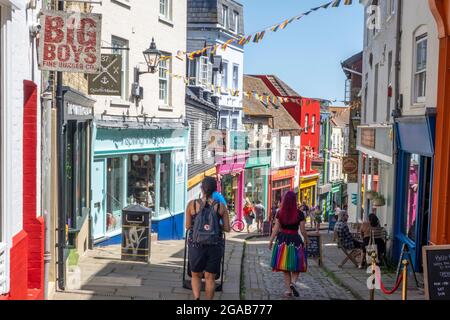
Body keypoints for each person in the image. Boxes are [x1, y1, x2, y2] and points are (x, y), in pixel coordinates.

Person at [185, 177, 231, 300]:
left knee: (196, 275)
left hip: (196, 245)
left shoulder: (192, 204)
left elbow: (188, 226)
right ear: (215, 189)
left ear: (201, 188)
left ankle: (196, 299)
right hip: (214, 245)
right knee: (210, 277)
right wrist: (214, 226)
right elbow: (227, 228)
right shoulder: (220, 206)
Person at [269, 191, 310, 298]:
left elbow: (275, 229)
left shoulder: (279, 213)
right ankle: (293, 282)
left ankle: (288, 291)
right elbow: (303, 230)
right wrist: (306, 239)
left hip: (282, 240)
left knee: (285, 266)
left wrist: (270, 241)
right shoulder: (300, 214)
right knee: (298, 264)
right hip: (295, 240)